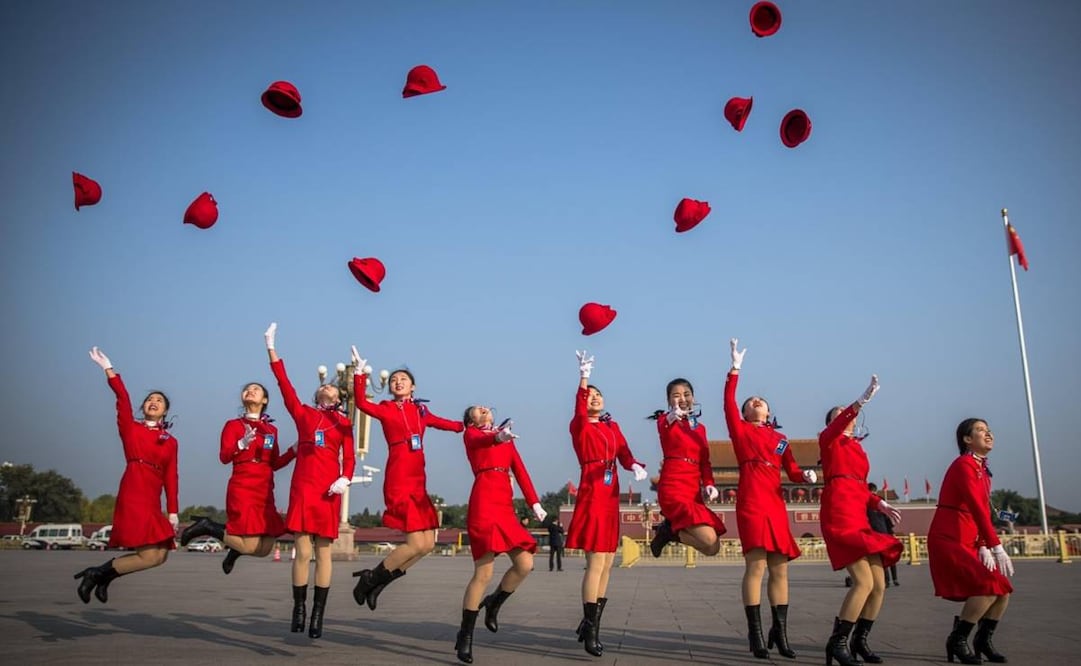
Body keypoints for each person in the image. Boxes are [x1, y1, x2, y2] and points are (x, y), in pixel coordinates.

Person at [349, 345, 464, 611]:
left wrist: (469, 425)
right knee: (414, 542)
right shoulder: (386, 408)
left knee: (426, 544)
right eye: (393, 380)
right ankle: (370, 578)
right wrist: (358, 374)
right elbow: (362, 403)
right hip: (399, 474)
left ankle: (380, 583)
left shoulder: (422, 412)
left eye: (403, 379)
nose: (397, 382)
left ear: (413, 387)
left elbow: (447, 424)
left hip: (418, 477)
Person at [724, 338, 817, 660]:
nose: (757, 403)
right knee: (757, 565)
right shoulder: (740, 430)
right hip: (751, 500)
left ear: (768, 410)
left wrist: (804, 476)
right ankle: (756, 634)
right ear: (745, 411)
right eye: (752, 401)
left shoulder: (780, 438)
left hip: (775, 501)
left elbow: (791, 469)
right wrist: (734, 370)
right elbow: (727, 401)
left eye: (761, 400)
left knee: (780, 569)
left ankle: (781, 631)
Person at [264, 323, 355, 639]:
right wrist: (272, 349)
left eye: (334, 389)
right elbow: (284, 384)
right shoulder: (303, 413)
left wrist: (345, 478)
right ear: (317, 394)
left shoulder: (343, 423)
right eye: (324, 388)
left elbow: (351, 457)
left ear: (340, 398)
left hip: (329, 490)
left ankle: (319, 614)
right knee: (302, 551)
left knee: (324, 552)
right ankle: (298, 608)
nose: (328, 389)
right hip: (304, 487)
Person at [75, 347, 179, 604]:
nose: (153, 402)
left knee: (159, 556)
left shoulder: (170, 441)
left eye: (159, 401)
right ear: (143, 407)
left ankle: (102, 575)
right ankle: (99, 574)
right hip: (135, 487)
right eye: (149, 400)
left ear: (165, 411)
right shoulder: (130, 429)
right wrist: (109, 369)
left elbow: (172, 476)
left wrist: (173, 510)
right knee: (150, 554)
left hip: (153, 495)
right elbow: (122, 397)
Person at [566, 351, 649, 657]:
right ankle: (590, 629)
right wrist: (583, 378)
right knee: (596, 562)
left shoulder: (612, 427)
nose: (595, 398)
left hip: (610, 493)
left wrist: (635, 465)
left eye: (598, 394)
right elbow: (578, 405)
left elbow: (624, 452)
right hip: (591, 491)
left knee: (608, 564)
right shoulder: (579, 425)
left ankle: (591, 626)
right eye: (590, 396)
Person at [818, 376, 904, 666]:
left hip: (860, 512)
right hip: (840, 513)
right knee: (863, 582)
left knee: (879, 585)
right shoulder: (828, 441)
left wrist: (878, 501)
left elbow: (860, 485)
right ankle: (837, 642)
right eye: (839, 414)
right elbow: (844, 482)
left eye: (848, 415)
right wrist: (859, 402)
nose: (847, 418)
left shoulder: (857, 449)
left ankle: (859, 640)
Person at [453, 406, 547, 664]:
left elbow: (520, 471)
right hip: (483, 501)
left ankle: (494, 602)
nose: (484, 410)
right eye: (477, 410)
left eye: (486, 408)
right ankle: (465, 635)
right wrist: (497, 438)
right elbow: (484, 439)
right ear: (470, 420)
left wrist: (535, 503)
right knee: (483, 572)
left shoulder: (505, 437)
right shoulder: (471, 435)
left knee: (525, 563)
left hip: (505, 505)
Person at [180, 382, 294, 574]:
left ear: (264, 400)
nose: (250, 391)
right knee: (249, 544)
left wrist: (294, 451)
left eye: (256, 389)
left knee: (265, 548)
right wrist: (241, 444)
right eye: (247, 389)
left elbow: (274, 463)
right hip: (244, 484)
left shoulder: (270, 431)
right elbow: (224, 457)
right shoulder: (233, 425)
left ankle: (234, 551)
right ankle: (207, 527)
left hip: (265, 488)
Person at [928, 418, 1014, 664]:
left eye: (989, 430)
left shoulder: (982, 469)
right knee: (988, 586)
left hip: (970, 538)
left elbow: (983, 511)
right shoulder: (964, 465)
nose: (988, 434)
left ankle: (982, 641)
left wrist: (984, 545)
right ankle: (958, 639)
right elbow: (976, 507)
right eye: (980, 430)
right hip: (950, 537)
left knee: (1003, 589)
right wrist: (996, 545)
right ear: (967, 439)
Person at [865, 483, 900, 587]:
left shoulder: (880, 504)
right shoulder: (867, 506)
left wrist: (891, 533)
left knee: (889, 558)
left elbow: (887, 520)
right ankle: (887, 580)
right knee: (882, 560)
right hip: (876, 535)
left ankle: (893, 579)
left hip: (883, 534)